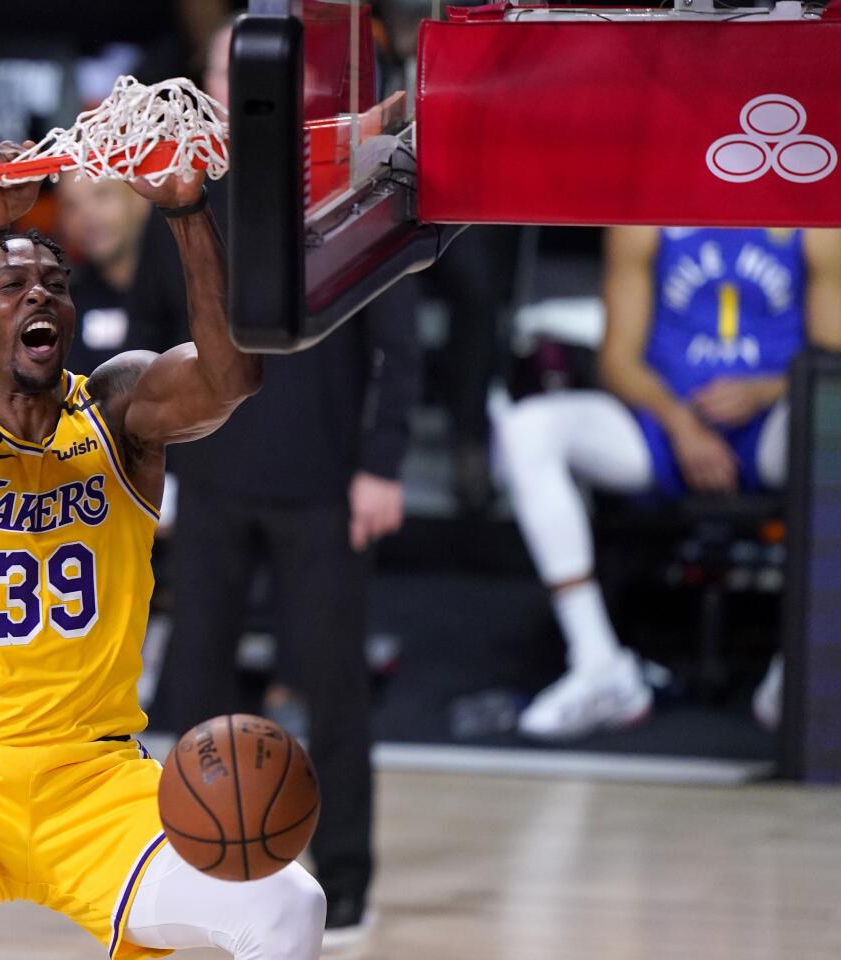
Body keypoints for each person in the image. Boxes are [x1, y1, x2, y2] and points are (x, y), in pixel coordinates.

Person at [0, 143, 325, 960]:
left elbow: (232, 378)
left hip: (97, 779)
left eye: (55, 284)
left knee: (290, 906)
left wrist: (189, 212)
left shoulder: (117, 411)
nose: (40, 295)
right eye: (13, 287)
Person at [142, 21, 421, 947]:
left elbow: (398, 342)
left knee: (333, 690)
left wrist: (383, 464)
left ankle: (344, 881)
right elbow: (152, 341)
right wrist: (154, 467)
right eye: (224, 67)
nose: (236, 82)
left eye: (253, 68)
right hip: (213, 474)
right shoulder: (184, 193)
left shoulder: (353, 180)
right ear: (208, 82)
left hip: (321, 481)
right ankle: (195, 866)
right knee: (191, 684)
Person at [494, 227, 841, 740]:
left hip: (771, 424)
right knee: (527, 429)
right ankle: (598, 663)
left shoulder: (811, 219)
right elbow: (617, 360)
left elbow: (832, 360)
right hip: (665, 421)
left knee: (832, 417)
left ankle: (800, 662)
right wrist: (681, 425)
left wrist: (764, 390)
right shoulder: (647, 217)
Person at [54, 173, 167, 373]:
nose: (86, 214)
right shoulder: (63, 304)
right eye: (71, 205)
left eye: (101, 194)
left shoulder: (190, 290)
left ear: (140, 199)